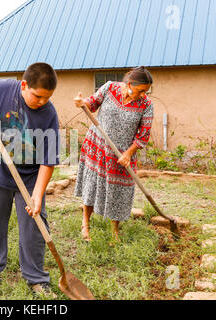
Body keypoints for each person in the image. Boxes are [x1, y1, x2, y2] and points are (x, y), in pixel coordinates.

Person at [0, 62, 60, 297]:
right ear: (24, 85)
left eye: (47, 98)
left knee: (34, 227)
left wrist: (37, 195)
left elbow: (48, 160)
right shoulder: (3, 88)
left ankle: (36, 277)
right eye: (37, 96)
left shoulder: (49, 114)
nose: (42, 102)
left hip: (29, 179)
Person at [73, 66, 154, 243]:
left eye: (146, 92)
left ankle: (114, 231)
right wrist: (82, 102)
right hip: (97, 147)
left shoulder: (146, 105)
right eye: (141, 90)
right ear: (131, 84)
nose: (143, 94)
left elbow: (143, 136)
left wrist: (128, 153)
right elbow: (92, 103)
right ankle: (85, 223)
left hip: (122, 156)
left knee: (119, 191)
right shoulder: (109, 88)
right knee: (92, 186)